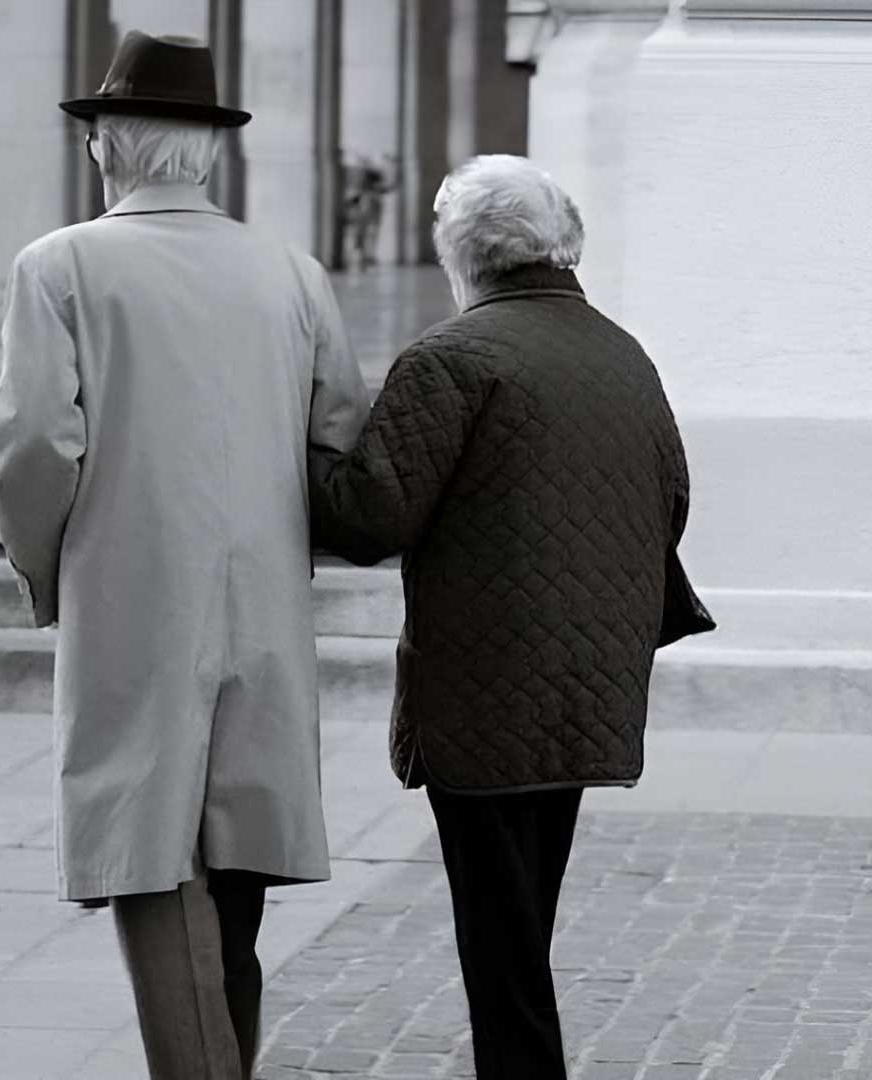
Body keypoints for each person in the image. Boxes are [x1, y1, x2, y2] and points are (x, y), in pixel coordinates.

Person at [0, 30, 369, 1080]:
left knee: (149, 862)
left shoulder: (60, 265)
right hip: (261, 601)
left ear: (108, 143)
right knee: (232, 872)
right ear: (206, 151)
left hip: (130, 593)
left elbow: (32, 447)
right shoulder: (290, 270)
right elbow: (339, 435)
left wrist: (45, 565)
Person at [308, 154, 710, 1080]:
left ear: (462, 251)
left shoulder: (453, 358)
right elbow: (672, 496)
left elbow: (371, 517)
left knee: (501, 932)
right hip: (589, 674)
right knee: (525, 906)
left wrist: (298, 444)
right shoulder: (620, 350)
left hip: (487, 685)